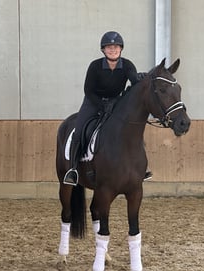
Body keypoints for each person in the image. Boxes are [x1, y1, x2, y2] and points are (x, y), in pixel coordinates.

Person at [63, 31, 152, 186]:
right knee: (79, 131)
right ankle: (73, 170)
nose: (113, 49)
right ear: (103, 50)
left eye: (116, 47)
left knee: (130, 131)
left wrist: (139, 78)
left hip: (115, 103)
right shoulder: (95, 66)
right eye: (109, 47)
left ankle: (140, 168)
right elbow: (88, 90)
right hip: (93, 102)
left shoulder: (127, 65)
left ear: (121, 49)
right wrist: (101, 105)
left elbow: (133, 78)